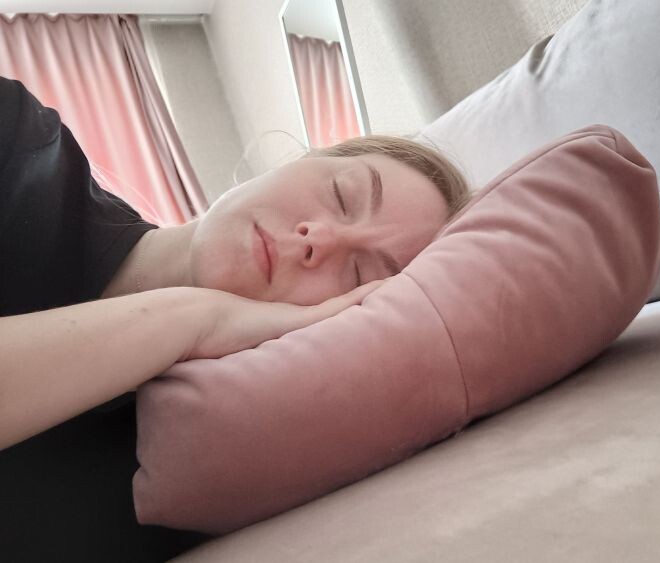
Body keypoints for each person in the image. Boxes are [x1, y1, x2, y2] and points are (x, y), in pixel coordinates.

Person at [0, 76, 470, 561]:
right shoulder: (17, 139)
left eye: (359, 275)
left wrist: (195, 324)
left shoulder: (196, 470)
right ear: (301, 159)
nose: (320, 239)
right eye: (342, 195)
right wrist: (188, 315)